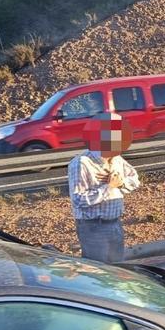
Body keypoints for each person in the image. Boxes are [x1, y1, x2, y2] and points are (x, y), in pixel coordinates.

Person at [68, 112, 140, 263]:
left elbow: (135, 180)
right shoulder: (82, 163)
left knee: (118, 268)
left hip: (115, 224)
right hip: (93, 228)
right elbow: (78, 200)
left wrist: (120, 183)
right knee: (99, 273)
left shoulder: (117, 159)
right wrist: (108, 187)